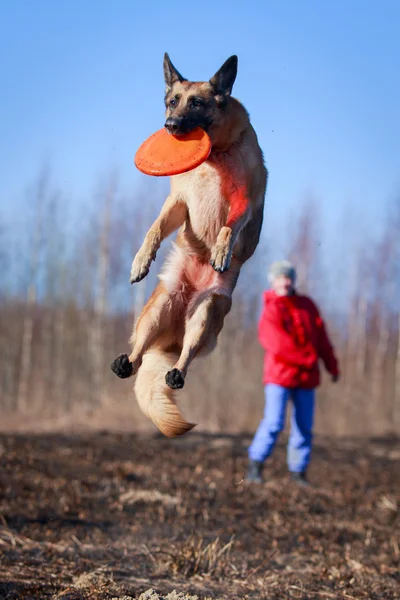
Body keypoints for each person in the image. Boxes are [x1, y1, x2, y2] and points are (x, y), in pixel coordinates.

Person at [247, 260, 339, 486]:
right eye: (280, 278)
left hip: (306, 378)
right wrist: (308, 358)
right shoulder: (271, 309)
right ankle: (255, 466)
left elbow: (322, 338)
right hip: (279, 376)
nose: (285, 282)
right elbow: (277, 345)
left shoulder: (307, 305)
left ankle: (298, 472)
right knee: (274, 423)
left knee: (304, 426)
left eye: (288, 277)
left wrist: (331, 365)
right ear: (273, 281)